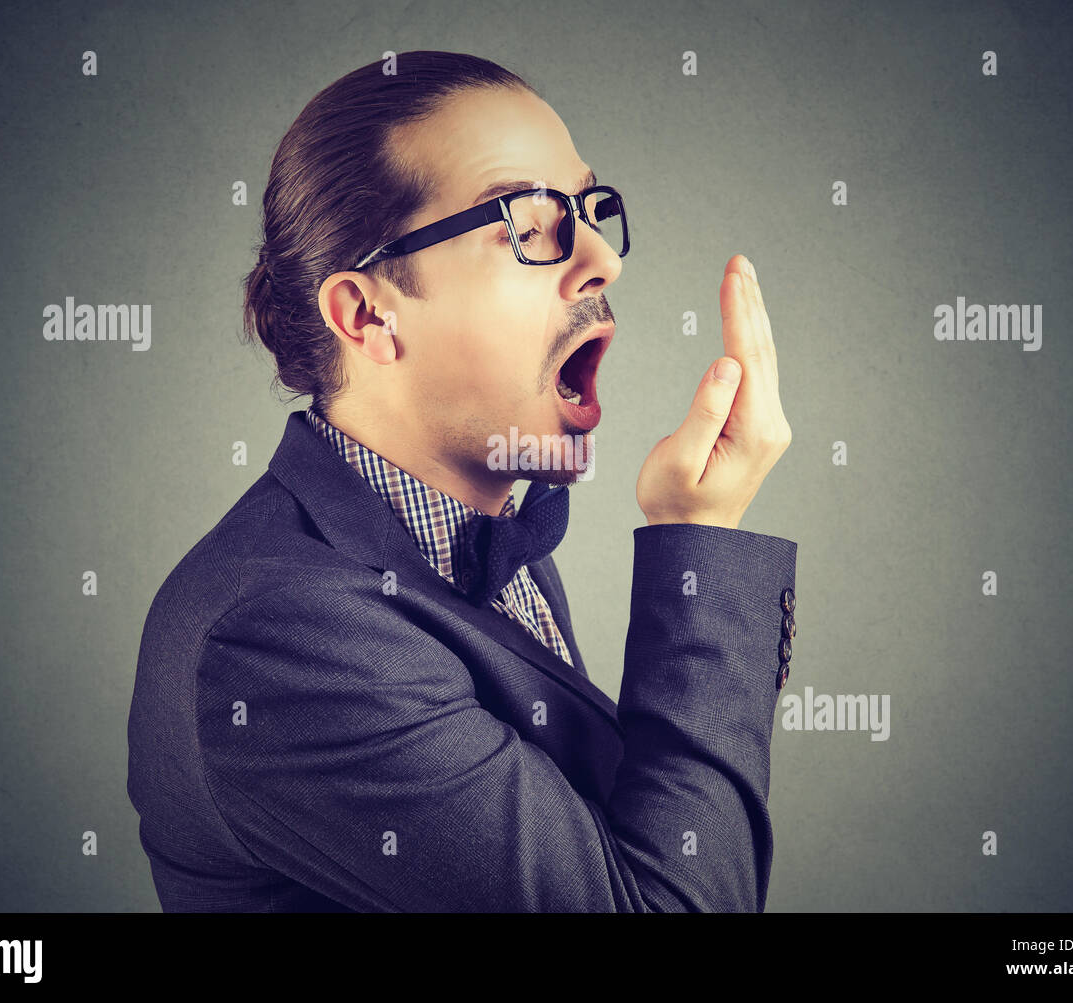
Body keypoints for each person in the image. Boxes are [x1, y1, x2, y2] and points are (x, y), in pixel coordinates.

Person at [127, 50, 797, 912]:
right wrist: (700, 545)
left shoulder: (473, 533)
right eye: (528, 220)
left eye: (590, 208)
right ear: (368, 315)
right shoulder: (278, 636)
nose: (602, 257)